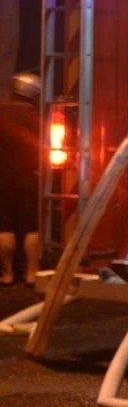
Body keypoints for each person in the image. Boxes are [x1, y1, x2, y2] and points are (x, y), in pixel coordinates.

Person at [0, 73, 41, 286]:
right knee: (31, 227)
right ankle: (31, 274)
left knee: (4, 227)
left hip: (3, 179)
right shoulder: (37, 118)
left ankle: (7, 274)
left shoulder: (1, 113)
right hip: (30, 178)